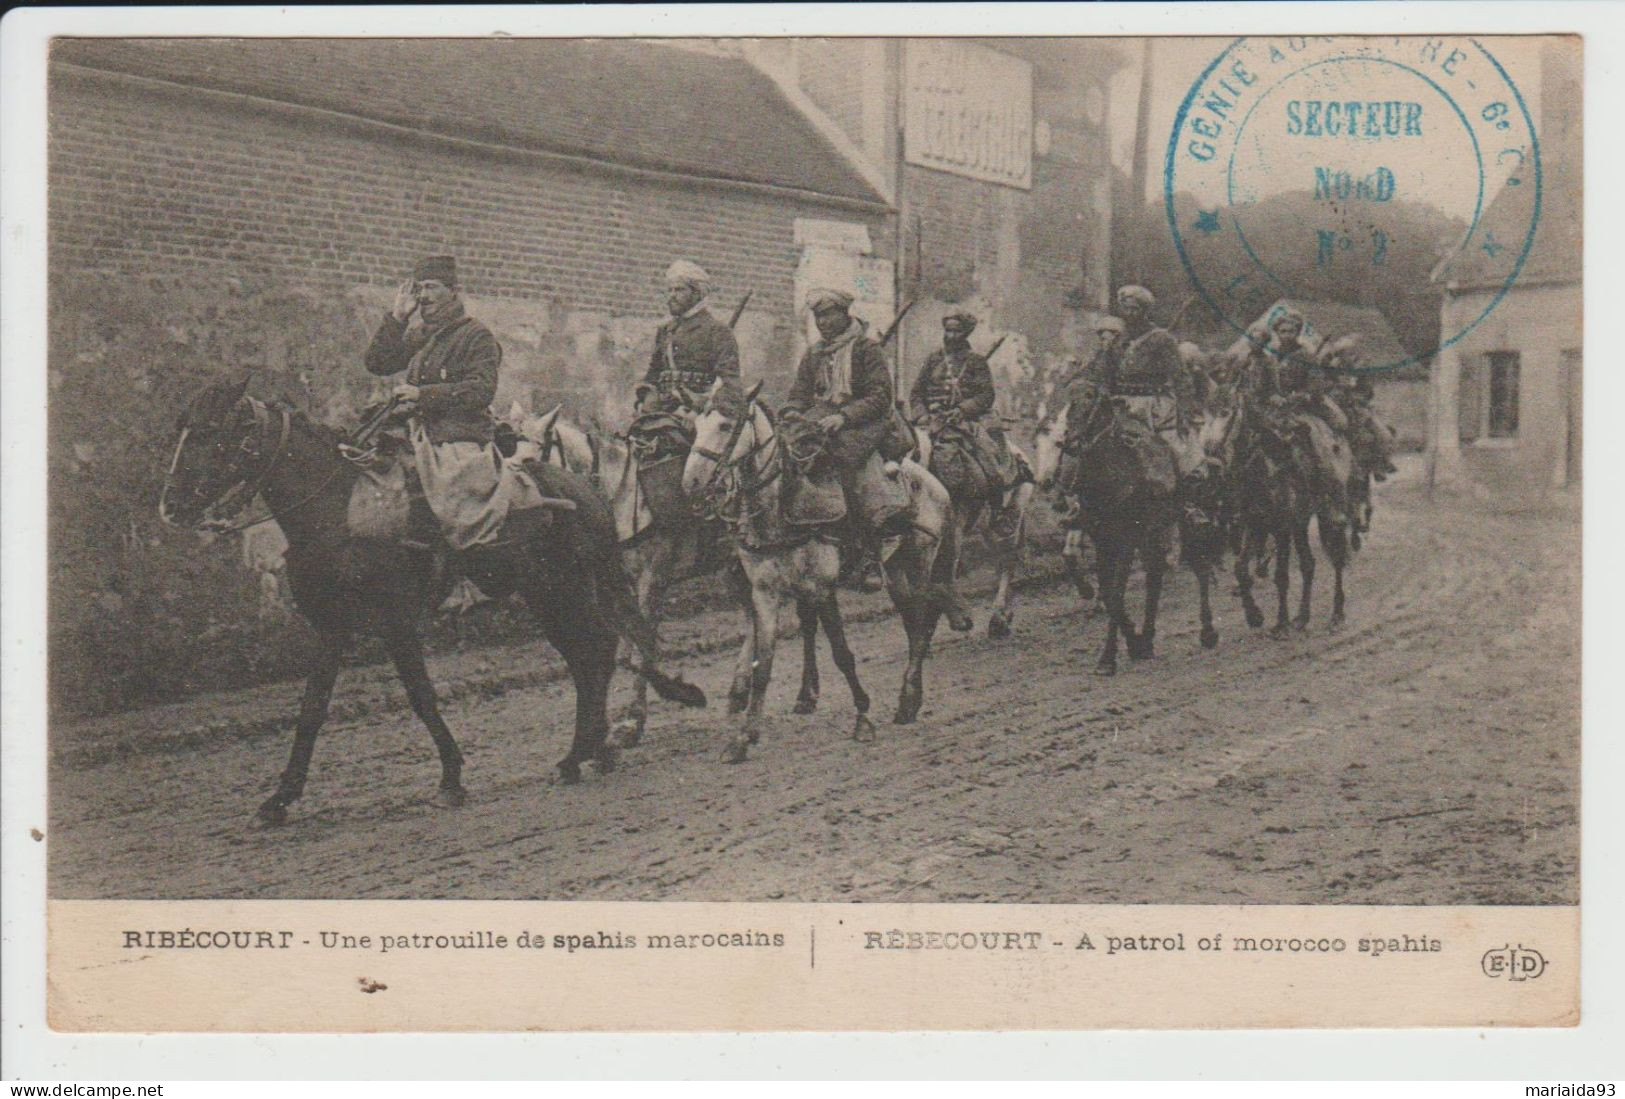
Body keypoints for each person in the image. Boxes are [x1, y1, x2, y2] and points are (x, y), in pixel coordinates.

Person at [364, 255, 533, 550]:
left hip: (456, 437)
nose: (424, 296)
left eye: (431, 287)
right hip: (417, 433)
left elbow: (482, 390)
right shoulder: (422, 334)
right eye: (419, 289)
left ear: (453, 290)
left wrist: (423, 394)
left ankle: (462, 569)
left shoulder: (475, 335)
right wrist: (398, 318)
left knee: (457, 509)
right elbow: (378, 363)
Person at [784, 289, 911, 540]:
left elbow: (880, 397)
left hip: (863, 423)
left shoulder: (867, 349)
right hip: (820, 419)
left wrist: (844, 417)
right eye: (818, 317)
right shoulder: (814, 353)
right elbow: (800, 393)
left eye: (828, 316)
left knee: (844, 462)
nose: (822, 323)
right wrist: (792, 412)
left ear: (845, 315)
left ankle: (865, 540)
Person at [907, 311, 1020, 508]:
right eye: (947, 330)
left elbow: (986, 395)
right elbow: (917, 393)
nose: (950, 336)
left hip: (962, 422)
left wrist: (963, 409)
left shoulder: (976, 362)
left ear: (966, 333)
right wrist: (921, 415)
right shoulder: (933, 359)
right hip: (929, 421)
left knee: (989, 459)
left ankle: (996, 507)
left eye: (956, 331)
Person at [637, 260, 742, 419]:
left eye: (679, 290)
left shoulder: (717, 331)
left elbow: (729, 383)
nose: (672, 295)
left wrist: (704, 407)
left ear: (697, 293)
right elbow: (654, 372)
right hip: (662, 410)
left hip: (697, 415)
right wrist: (647, 398)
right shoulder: (665, 330)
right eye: (670, 290)